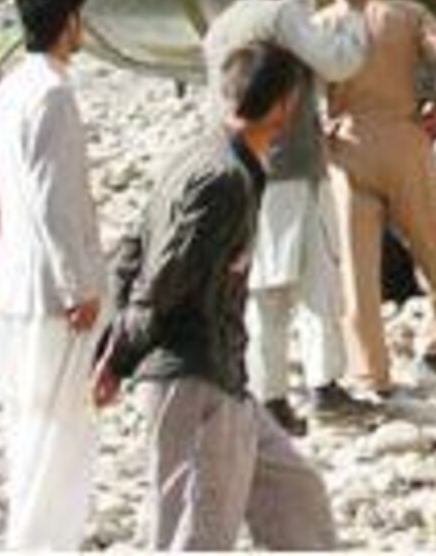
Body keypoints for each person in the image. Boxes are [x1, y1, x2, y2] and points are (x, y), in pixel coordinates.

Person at [95, 41, 338, 550]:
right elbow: (167, 280)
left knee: (298, 497)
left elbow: (130, 251)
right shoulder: (223, 179)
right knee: (195, 534)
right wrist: (117, 358)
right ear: (283, 105)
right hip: (194, 378)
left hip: (225, 376)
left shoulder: (205, 158)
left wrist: (114, 343)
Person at [202, 0, 370, 434]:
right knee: (319, 280)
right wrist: (356, 10)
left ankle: (269, 395)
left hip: (245, 172)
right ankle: (325, 387)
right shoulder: (280, 16)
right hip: (296, 166)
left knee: (264, 288)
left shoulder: (219, 27)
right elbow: (339, 62)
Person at [0, 0, 105, 550]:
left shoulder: (10, 88)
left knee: (29, 425)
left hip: (18, 279)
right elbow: (55, 201)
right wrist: (79, 286)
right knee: (60, 431)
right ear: (69, 20)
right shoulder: (51, 92)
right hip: (50, 290)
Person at [316, 0, 436, 389]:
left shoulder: (321, 24)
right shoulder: (407, 14)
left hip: (348, 144)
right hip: (405, 137)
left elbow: (303, 89)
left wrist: (322, 126)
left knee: (357, 270)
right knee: (435, 254)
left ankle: (371, 372)